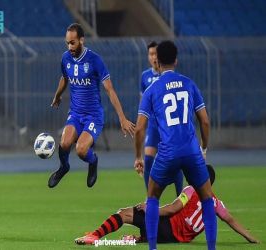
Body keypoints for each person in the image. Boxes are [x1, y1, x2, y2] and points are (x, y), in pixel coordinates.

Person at [134, 40, 216, 250]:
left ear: (158, 61)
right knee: (207, 198)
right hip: (191, 151)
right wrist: (204, 148)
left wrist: (138, 156)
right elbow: (205, 121)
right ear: (176, 60)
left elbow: (140, 128)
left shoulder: (152, 89)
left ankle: (152, 247)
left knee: (152, 197)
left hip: (167, 151)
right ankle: (212, 248)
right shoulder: (189, 84)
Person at [74, 165, 259, 245]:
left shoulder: (191, 190)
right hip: (174, 238)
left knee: (125, 214)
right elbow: (231, 220)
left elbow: (173, 209)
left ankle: (94, 236)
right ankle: (141, 238)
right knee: (148, 224)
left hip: (167, 228)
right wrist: (251, 238)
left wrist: (151, 208)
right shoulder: (217, 203)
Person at [48, 23, 135, 188]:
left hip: (93, 116)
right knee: (64, 144)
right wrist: (57, 95)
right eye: (67, 43)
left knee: (81, 150)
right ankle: (64, 167)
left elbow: (109, 90)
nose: (69, 46)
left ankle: (93, 162)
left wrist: (122, 118)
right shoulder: (65, 58)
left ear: (81, 40)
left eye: (72, 42)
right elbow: (65, 77)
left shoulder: (95, 60)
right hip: (75, 113)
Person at [140, 41, 183, 195]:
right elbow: (143, 103)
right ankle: (149, 196)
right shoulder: (145, 76)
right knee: (148, 159)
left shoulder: (168, 75)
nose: (153, 57)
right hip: (153, 125)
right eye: (150, 54)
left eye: (155, 54)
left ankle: (180, 197)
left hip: (168, 125)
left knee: (176, 161)